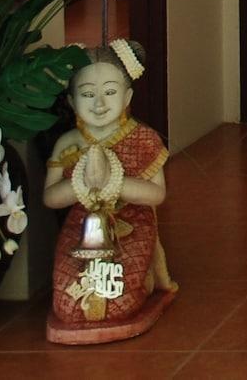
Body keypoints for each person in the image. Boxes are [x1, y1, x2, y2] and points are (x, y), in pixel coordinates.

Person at [43, 40, 178, 344]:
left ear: (128, 96)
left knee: (117, 298)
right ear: (72, 100)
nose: (100, 104)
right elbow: (51, 198)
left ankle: (142, 283)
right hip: (82, 227)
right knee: (67, 303)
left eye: (111, 92)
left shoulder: (144, 139)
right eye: (88, 94)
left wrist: (112, 183)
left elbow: (157, 195)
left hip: (132, 223)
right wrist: (82, 183)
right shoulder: (68, 144)